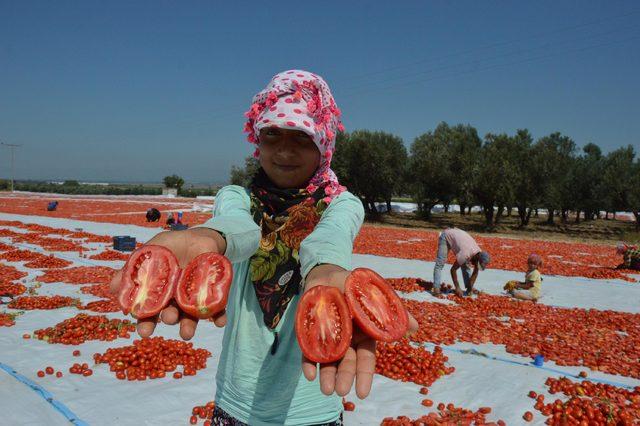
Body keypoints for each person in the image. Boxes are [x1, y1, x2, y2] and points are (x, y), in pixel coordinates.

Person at [110, 70, 418, 426]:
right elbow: (240, 229)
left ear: (323, 142)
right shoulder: (237, 197)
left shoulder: (341, 204)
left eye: (302, 137)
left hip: (311, 412)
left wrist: (326, 270)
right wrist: (209, 239)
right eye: (272, 135)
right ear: (258, 139)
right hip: (236, 405)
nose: (285, 150)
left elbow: (328, 238)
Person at [432, 227, 491, 297]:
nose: (475, 265)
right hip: (446, 236)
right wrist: (457, 287)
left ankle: (469, 287)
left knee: (465, 265)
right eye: (477, 264)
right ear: (477, 258)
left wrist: (470, 288)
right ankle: (436, 288)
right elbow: (453, 270)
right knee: (440, 263)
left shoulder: (479, 253)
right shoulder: (466, 254)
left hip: (459, 237)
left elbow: (476, 271)